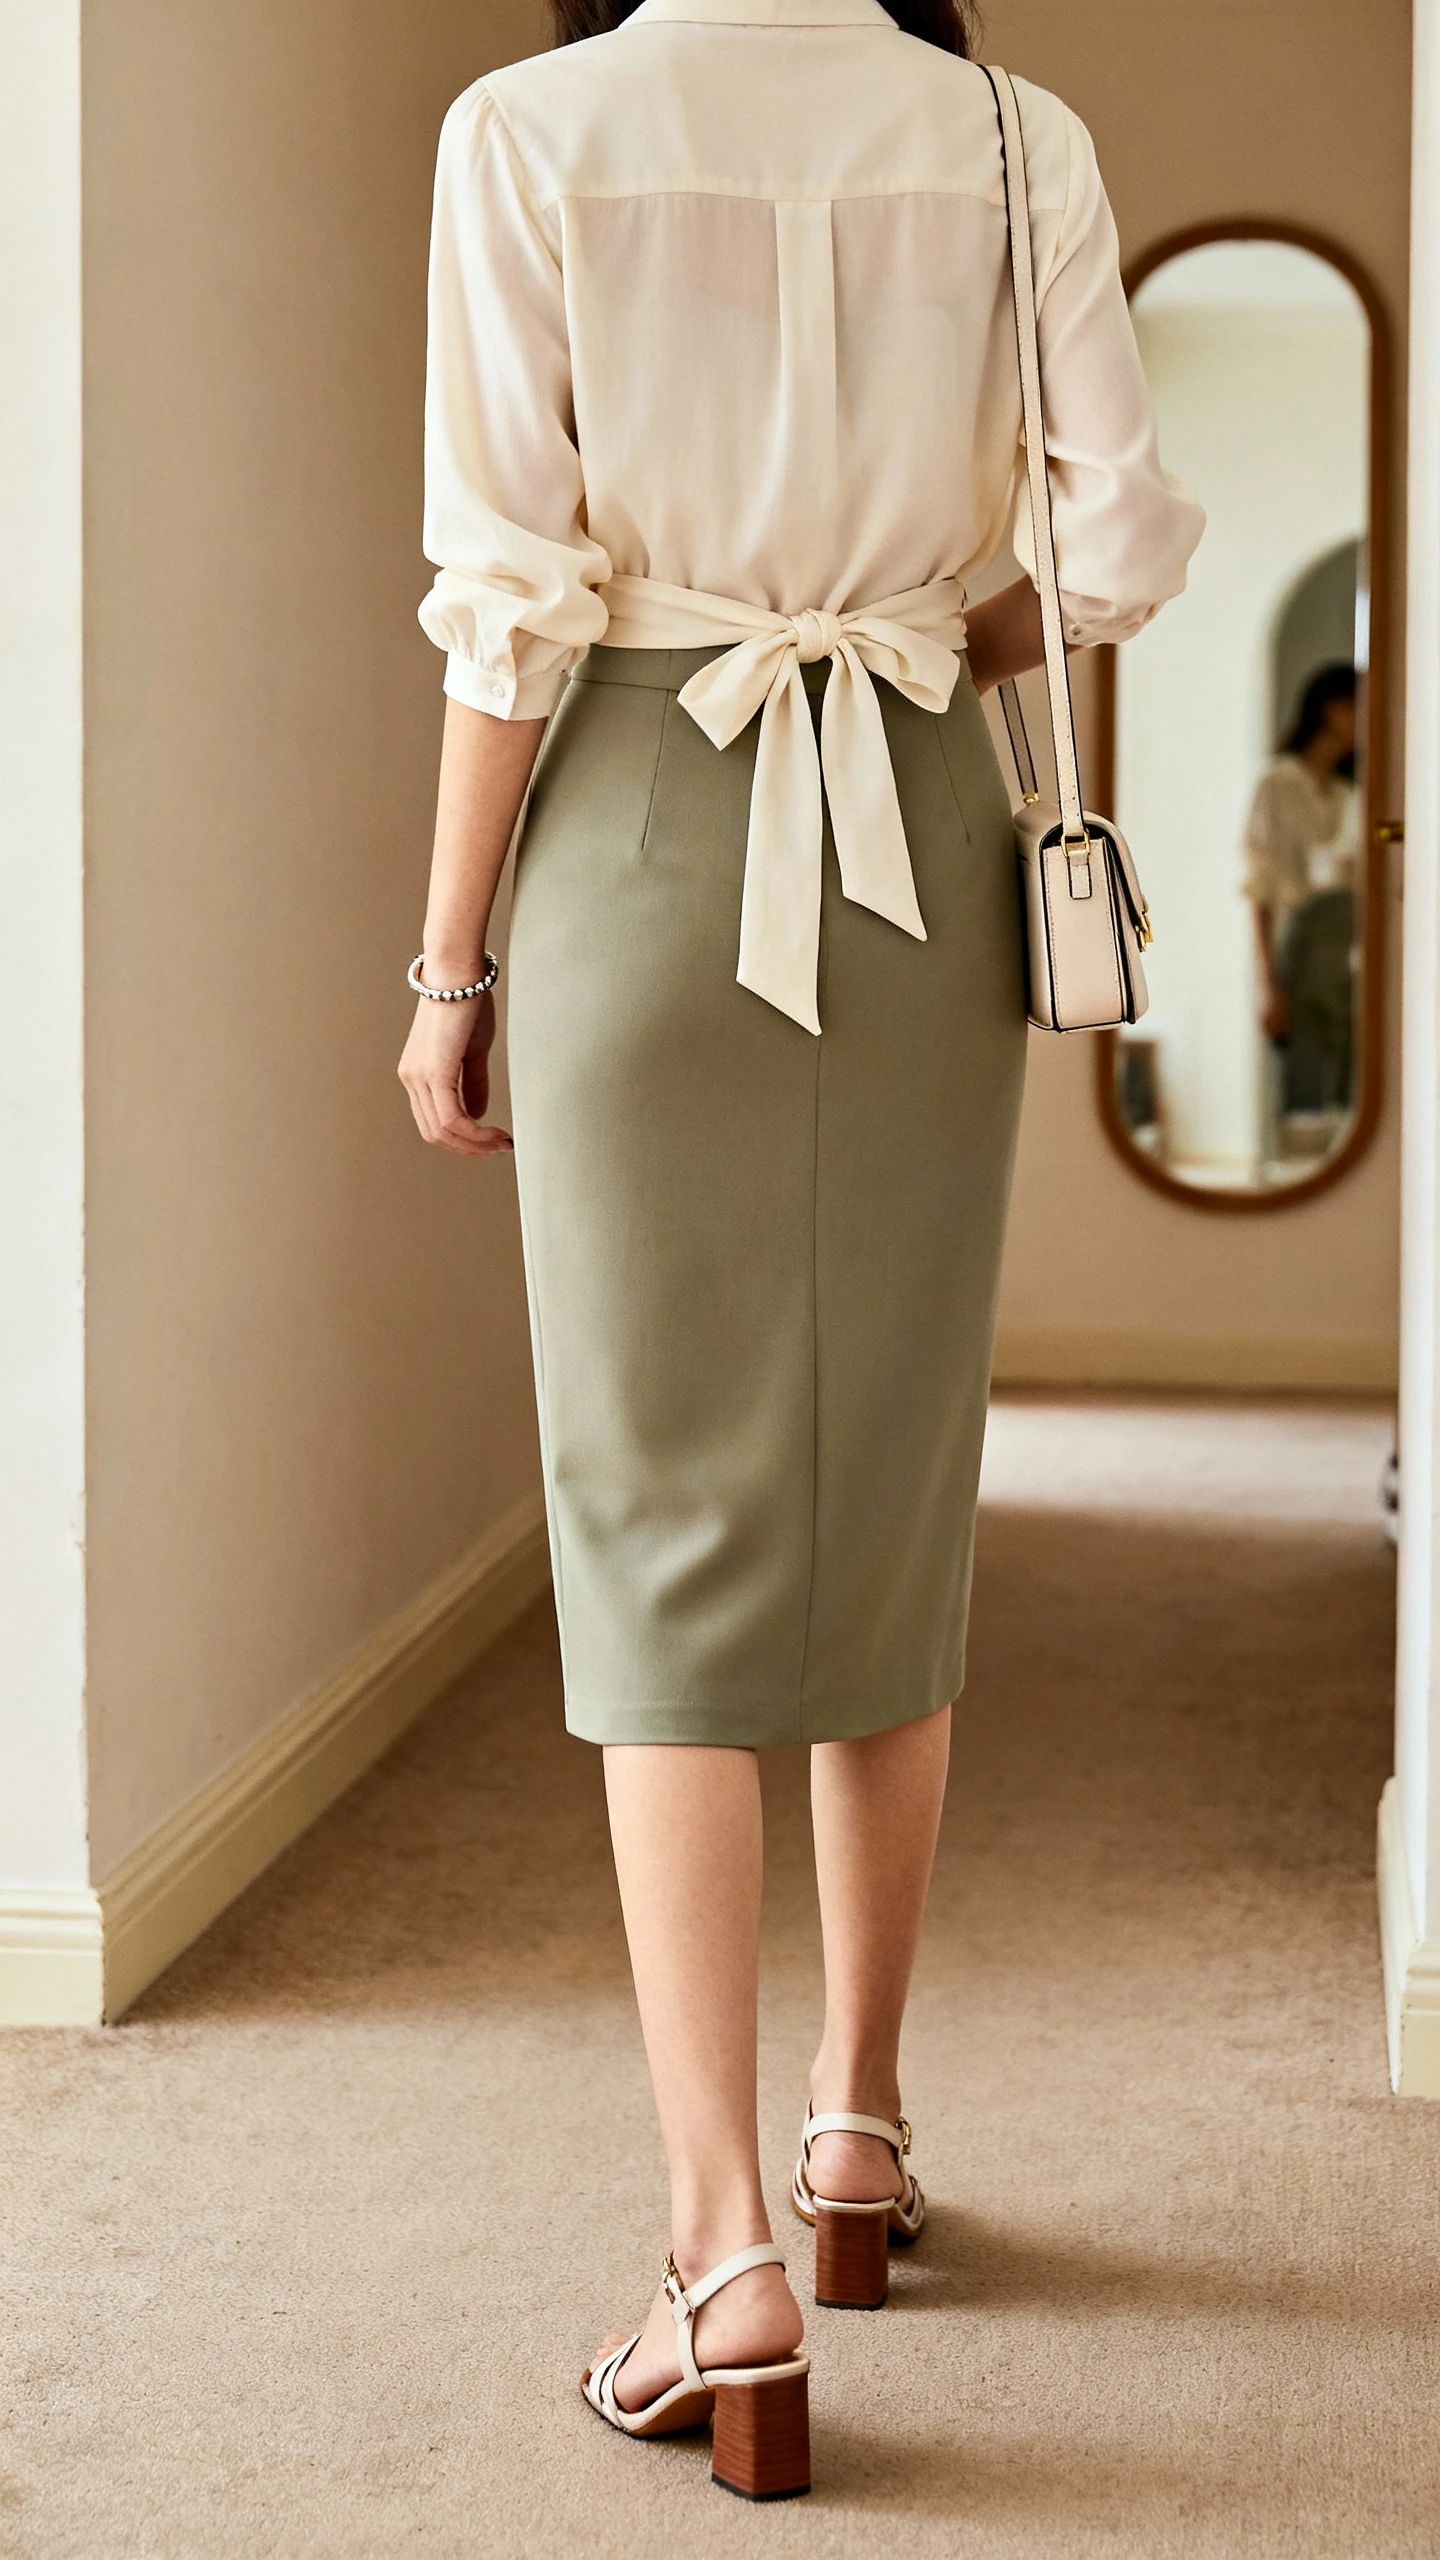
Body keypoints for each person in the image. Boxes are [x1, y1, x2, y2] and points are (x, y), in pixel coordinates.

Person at [399, 0, 1202, 2497]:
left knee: (652, 1517)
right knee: (887, 1479)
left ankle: (719, 2239)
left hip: (644, 822)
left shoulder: (528, 128)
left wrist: (450, 964)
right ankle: (852, 2123)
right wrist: (923, 627)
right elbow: (1111, 549)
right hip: (921, 855)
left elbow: (508, 600)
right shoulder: (1001, 128)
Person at [1243, 662, 1361, 1118]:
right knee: (1301, 1075)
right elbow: (1261, 887)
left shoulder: (1348, 792)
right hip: (1303, 941)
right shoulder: (1277, 783)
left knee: (1346, 1072)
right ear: (1332, 708)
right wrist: (1269, 986)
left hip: (1349, 945)